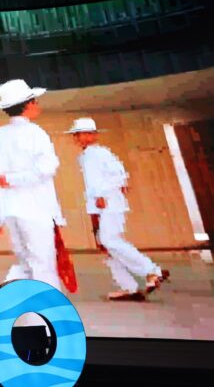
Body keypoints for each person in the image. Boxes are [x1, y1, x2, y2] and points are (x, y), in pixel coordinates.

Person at [66, 117, 169, 301]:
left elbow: (120, 175)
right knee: (106, 247)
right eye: (77, 134)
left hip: (109, 203)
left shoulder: (101, 153)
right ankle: (129, 287)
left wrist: (102, 194)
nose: (79, 138)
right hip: (97, 205)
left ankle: (153, 271)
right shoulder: (84, 157)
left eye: (83, 134)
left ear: (93, 135)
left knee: (110, 240)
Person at [0, 79, 67, 291]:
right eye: (35, 101)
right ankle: (49, 307)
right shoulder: (35, 132)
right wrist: (14, 180)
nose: (37, 105)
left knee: (25, 263)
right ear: (28, 104)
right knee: (43, 264)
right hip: (35, 208)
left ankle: (13, 301)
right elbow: (47, 168)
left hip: (10, 209)